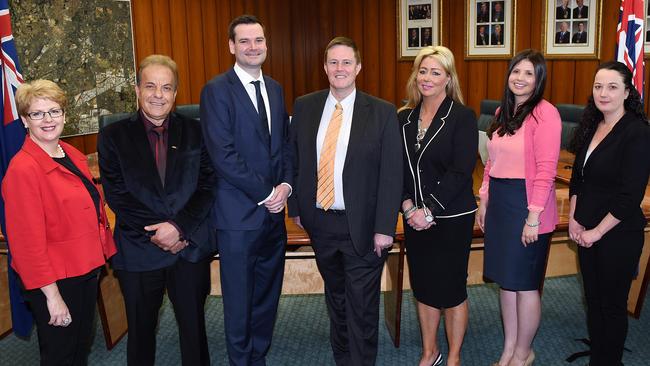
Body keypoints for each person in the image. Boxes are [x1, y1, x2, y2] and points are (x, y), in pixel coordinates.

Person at [288, 36, 402, 366]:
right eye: (334, 62)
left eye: (347, 62)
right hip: (321, 222)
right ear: (324, 67)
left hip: (364, 227)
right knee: (336, 299)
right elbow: (295, 160)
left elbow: (392, 174)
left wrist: (384, 228)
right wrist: (296, 209)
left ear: (358, 68)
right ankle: (343, 359)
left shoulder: (381, 112)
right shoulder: (305, 106)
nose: (340, 69)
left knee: (362, 304)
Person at [98, 54, 216, 366]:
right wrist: (160, 231)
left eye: (166, 87)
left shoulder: (197, 132)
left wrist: (178, 228)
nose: (158, 95)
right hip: (138, 250)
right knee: (141, 333)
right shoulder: (113, 136)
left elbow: (208, 185)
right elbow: (117, 194)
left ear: (176, 94)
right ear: (137, 90)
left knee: (194, 333)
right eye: (150, 86)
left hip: (187, 248)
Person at [200, 14, 293, 366]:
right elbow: (222, 155)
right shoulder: (216, 91)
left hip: (273, 217)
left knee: (267, 297)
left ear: (266, 44)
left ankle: (259, 357)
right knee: (239, 301)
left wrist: (285, 185)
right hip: (238, 218)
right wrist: (268, 194)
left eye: (259, 40)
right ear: (231, 47)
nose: (253, 47)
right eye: (245, 41)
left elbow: (284, 144)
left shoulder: (274, 88)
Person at [2, 79, 117, 365]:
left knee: (79, 346)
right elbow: (27, 245)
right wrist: (52, 296)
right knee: (60, 355)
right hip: (55, 280)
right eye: (37, 114)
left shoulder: (71, 154)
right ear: (25, 121)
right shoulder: (23, 170)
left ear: (65, 115)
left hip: (85, 268)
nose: (48, 119)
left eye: (54, 111)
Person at [476, 49, 561, 366]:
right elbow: (490, 163)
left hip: (527, 208)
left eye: (529, 73)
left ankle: (524, 352)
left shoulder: (545, 113)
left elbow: (546, 170)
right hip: (500, 204)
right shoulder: (503, 113)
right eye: (516, 71)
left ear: (538, 79)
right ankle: (509, 348)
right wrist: (484, 199)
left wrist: (534, 217)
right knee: (506, 281)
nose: (520, 78)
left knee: (525, 285)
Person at [397, 46, 477, 366]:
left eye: (435, 72)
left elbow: (461, 171)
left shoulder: (461, 117)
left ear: (448, 78)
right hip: (414, 217)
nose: (427, 78)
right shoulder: (403, 117)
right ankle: (430, 352)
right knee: (424, 288)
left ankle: (454, 356)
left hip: (451, 218)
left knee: (452, 290)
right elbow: (397, 169)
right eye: (423, 71)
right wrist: (407, 207)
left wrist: (428, 210)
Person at [568, 61, 650, 366]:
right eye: (598, 86)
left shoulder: (637, 132)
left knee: (612, 306)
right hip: (586, 229)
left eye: (613, 87)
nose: (604, 93)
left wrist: (595, 232)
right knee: (594, 302)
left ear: (627, 92)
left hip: (617, 234)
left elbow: (630, 196)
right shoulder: (592, 125)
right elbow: (578, 178)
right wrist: (575, 219)